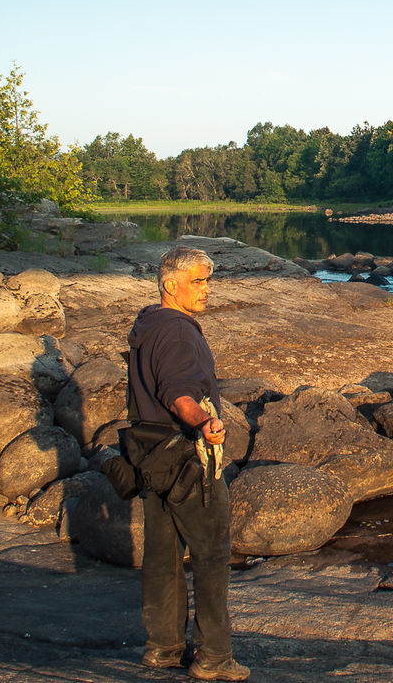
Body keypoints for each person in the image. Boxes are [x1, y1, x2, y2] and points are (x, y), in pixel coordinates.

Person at [126, 246, 249, 681]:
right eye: (197, 281)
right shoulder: (178, 332)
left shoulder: (149, 324)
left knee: (162, 556)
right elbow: (178, 392)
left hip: (150, 457)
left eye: (207, 280)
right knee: (211, 555)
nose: (206, 289)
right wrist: (205, 421)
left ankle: (162, 649)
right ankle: (214, 658)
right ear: (170, 284)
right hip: (186, 458)